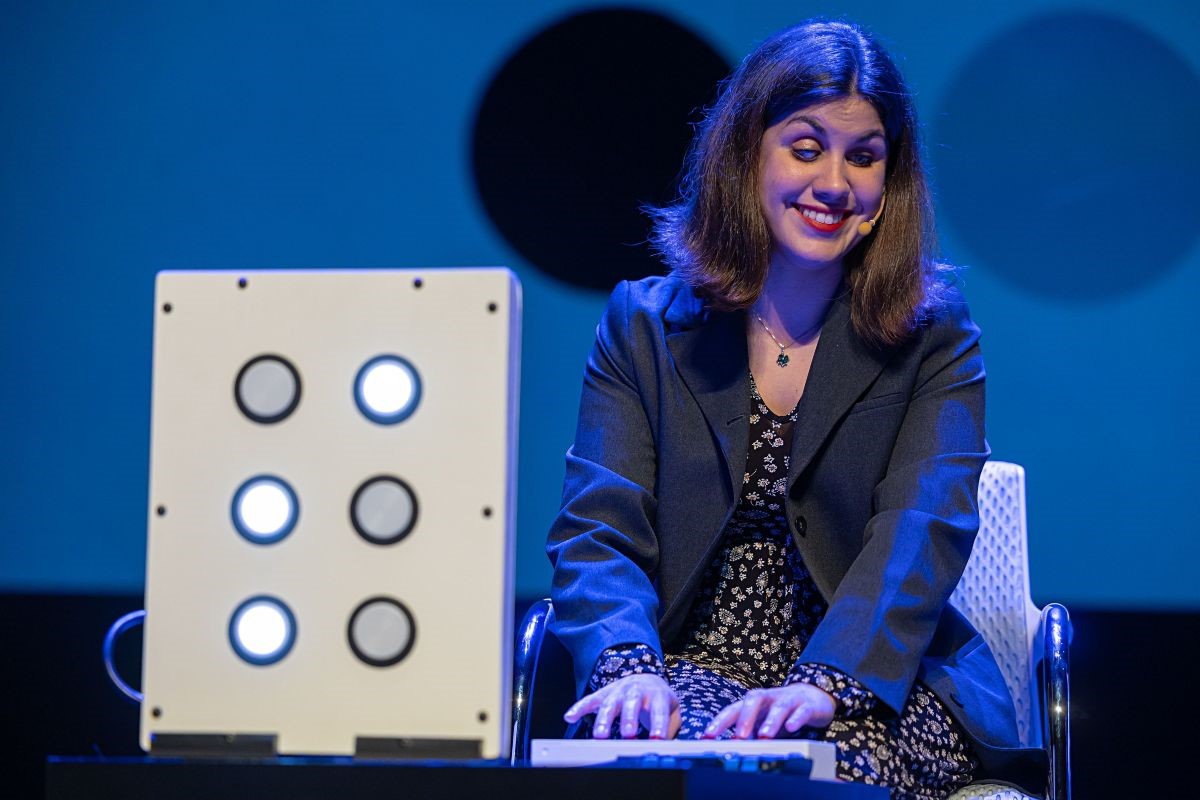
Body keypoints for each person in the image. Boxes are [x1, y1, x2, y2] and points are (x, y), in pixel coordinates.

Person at [545, 18, 1043, 799]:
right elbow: (597, 526)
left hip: (876, 679)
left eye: (864, 158)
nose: (835, 184)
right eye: (806, 147)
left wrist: (827, 681)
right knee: (651, 767)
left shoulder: (936, 339)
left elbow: (922, 531)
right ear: (747, 157)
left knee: (827, 765)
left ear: (889, 187)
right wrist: (628, 666)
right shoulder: (639, 325)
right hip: (692, 668)